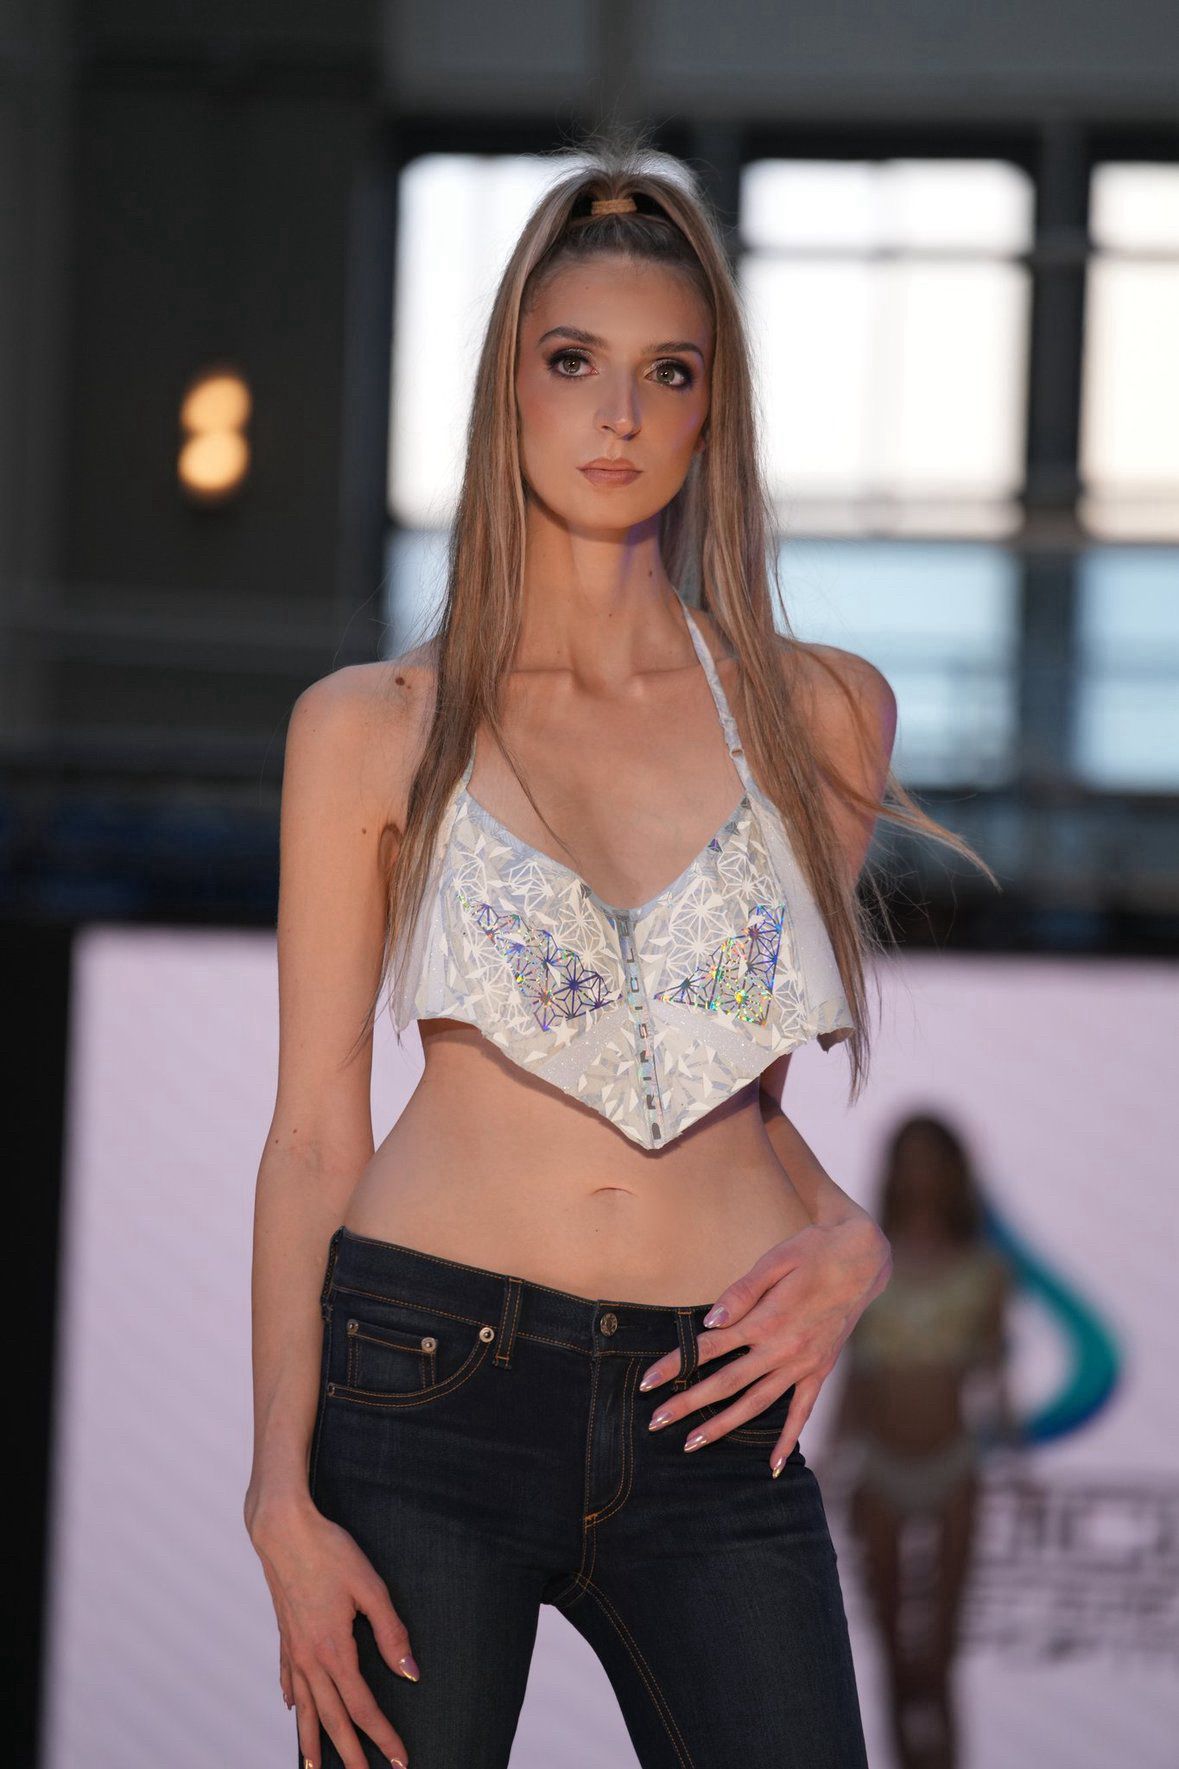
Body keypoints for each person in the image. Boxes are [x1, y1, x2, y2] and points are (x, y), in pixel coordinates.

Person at [243, 128, 994, 1769]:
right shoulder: (371, 725)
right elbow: (310, 1130)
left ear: (711, 410)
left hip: (711, 1400)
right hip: (423, 1379)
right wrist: (278, 1496)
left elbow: (727, 1093)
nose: (620, 414)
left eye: (669, 372)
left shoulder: (818, 714)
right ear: (505, 387)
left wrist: (849, 1240)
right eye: (572, 361)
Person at [826, 1113, 1022, 1768]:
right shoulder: (865, 1262)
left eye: (931, 1159)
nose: (919, 1174)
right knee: (891, 1653)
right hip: (879, 1467)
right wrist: (829, 1461)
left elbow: (995, 1378)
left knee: (939, 1654)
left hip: (953, 1466)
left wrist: (1018, 1460)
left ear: (953, 1172)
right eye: (908, 1160)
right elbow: (854, 1377)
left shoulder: (983, 1270)